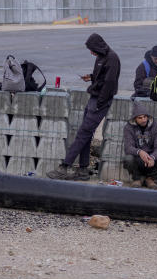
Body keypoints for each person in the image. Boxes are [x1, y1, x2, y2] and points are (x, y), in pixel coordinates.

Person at [48, 33, 121, 181]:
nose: (91, 52)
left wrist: (99, 103)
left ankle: (64, 167)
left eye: (92, 49)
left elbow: (109, 83)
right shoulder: (101, 57)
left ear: (98, 46)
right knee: (86, 135)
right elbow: (100, 77)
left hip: (100, 102)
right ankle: (82, 170)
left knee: (82, 134)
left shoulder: (112, 58)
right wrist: (91, 77)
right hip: (94, 99)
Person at [122, 100, 157, 188]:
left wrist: (152, 157)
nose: (143, 120)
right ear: (135, 119)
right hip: (138, 159)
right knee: (128, 158)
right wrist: (140, 152)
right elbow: (128, 147)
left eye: (145, 117)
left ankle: (150, 179)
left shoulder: (156, 126)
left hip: (152, 160)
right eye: (140, 118)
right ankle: (137, 179)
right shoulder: (128, 127)